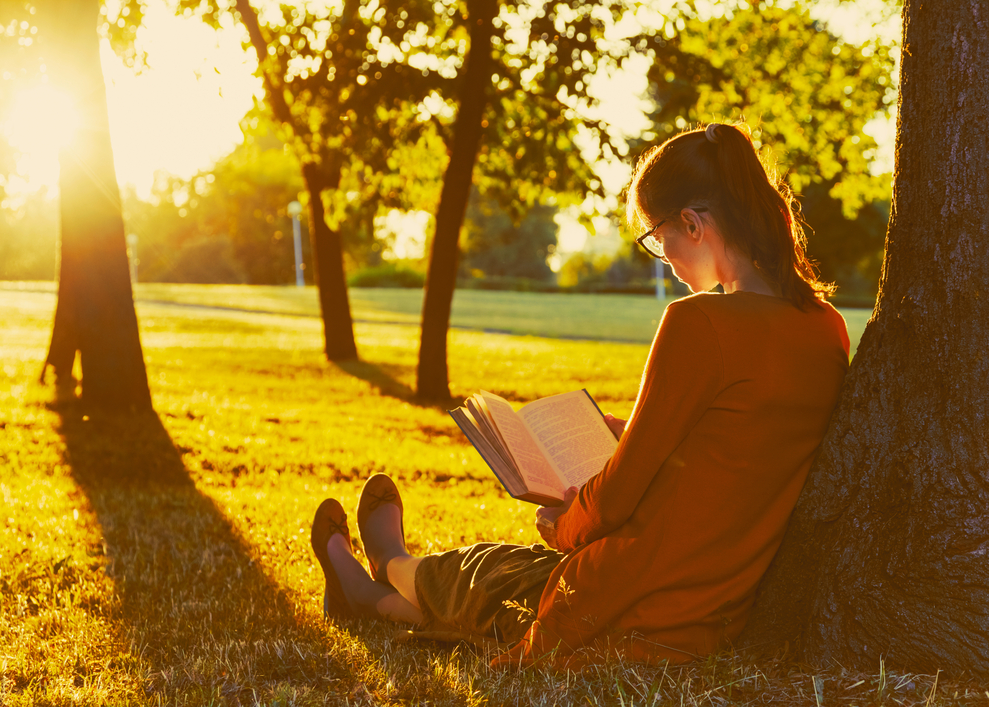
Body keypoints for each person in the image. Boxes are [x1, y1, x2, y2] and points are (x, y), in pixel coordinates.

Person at [310, 122, 851, 666]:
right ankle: (373, 586)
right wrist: (628, 436)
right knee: (508, 586)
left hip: (640, 592)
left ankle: (388, 566)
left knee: (489, 574)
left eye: (657, 239)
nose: (662, 256)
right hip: (717, 608)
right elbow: (740, 446)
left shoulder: (699, 323)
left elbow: (614, 501)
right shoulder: (826, 328)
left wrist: (564, 524)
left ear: (692, 223)